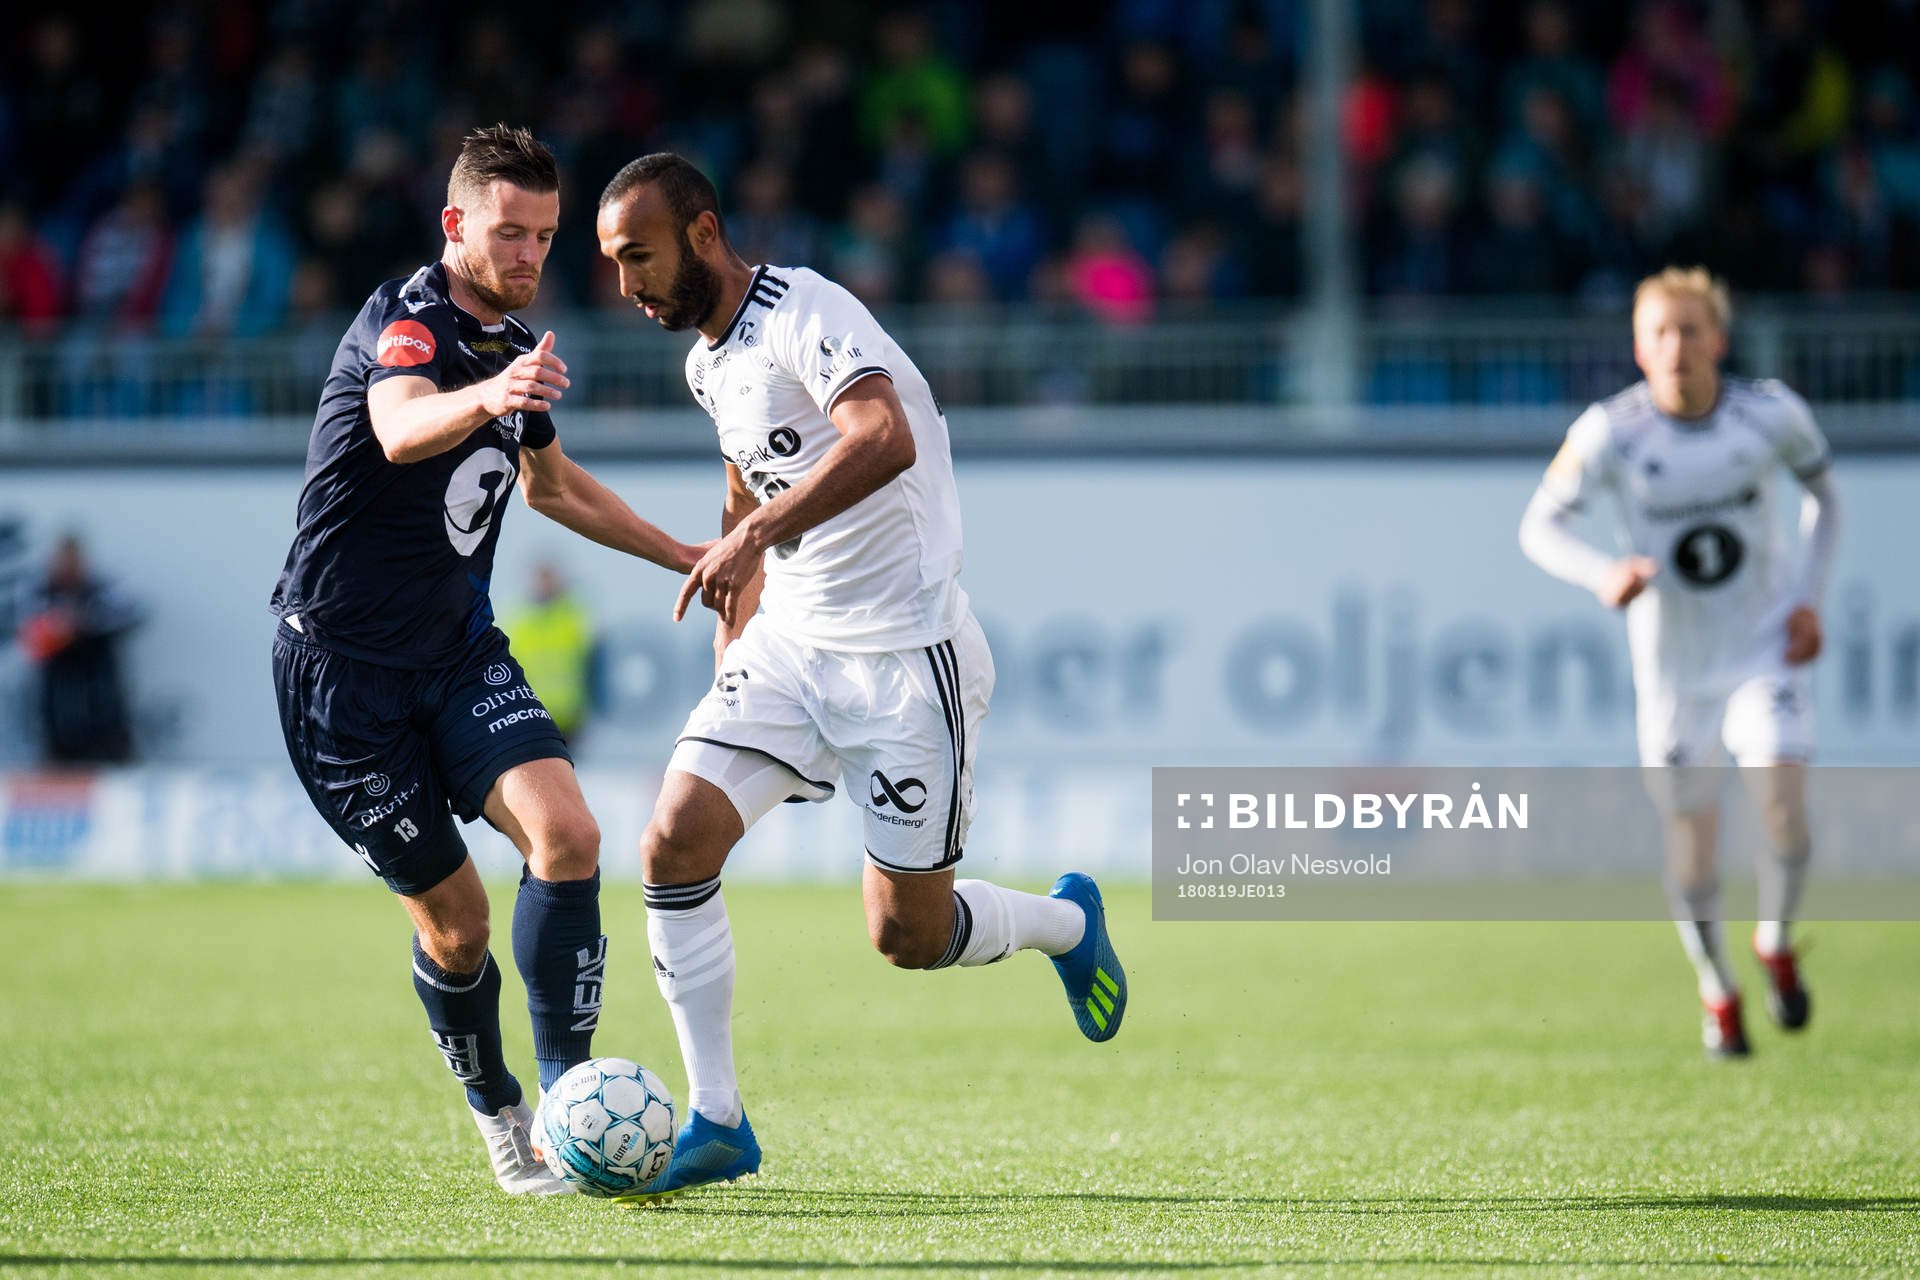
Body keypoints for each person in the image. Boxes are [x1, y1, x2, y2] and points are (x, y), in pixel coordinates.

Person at [594, 153, 1129, 1202]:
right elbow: (744, 477)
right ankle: (718, 1118)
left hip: (905, 661)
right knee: (670, 839)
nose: (628, 287)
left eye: (639, 258)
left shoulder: (806, 308)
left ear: (702, 233)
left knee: (906, 936)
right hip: (791, 647)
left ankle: (1067, 922)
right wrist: (735, 618)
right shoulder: (705, 365)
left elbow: (879, 435)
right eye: (615, 265)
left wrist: (755, 533)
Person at [268, 125, 703, 1193]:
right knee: (459, 928)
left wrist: (687, 553)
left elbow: (556, 488)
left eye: (545, 239)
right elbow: (404, 428)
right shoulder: (404, 319)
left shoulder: (515, 353)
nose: (528, 258)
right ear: (456, 222)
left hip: (456, 652)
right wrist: (491, 399)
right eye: (509, 233)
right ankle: (499, 1105)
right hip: (342, 676)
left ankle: (567, 1101)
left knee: (571, 832)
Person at [1518, 267, 1841, 1059]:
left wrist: (1810, 598)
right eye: (1661, 333)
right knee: (1691, 854)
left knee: (1783, 817)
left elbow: (1826, 498)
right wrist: (1602, 573)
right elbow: (1538, 527)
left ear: (1718, 341)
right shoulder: (1613, 432)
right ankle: (1719, 991)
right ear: (1638, 347)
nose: (1677, 347)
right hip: (1674, 675)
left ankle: (1775, 940)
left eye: (1692, 330)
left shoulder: (1768, 415)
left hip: (1762, 649)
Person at [19, 534, 142, 765]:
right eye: (63, 561)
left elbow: (133, 609)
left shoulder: (101, 585)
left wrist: (88, 621)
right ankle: (58, 753)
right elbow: (28, 625)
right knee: (55, 702)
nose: (68, 568)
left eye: (73, 561)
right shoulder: (42, 589)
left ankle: (114, 750)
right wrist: (59, 626)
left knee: (105, 698)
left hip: (95, 655)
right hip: (58, 659)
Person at [500, 561, 597, 743]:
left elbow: (591, 662)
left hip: (568, 713)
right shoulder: (519, 621)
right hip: (531, 712)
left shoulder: (572, 617)